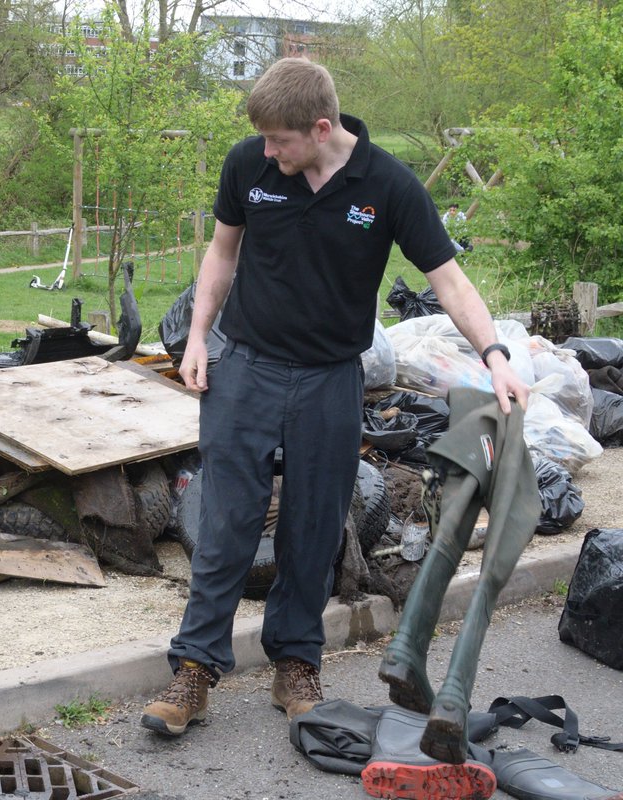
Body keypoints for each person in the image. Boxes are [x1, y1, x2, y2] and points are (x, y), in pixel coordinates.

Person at [139, 57, 530, 737]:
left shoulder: (388, 185)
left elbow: (449, 280)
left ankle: (295, 664)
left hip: (329, 378)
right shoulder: (248, 167)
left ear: (321, 128)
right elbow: (222, 253)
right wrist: (199, 336)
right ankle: (195, 670)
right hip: (248, 369)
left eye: (280, 141)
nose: (267, 152)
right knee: (227, 521)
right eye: (262, 141)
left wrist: (493, 354)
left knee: (315, 526)